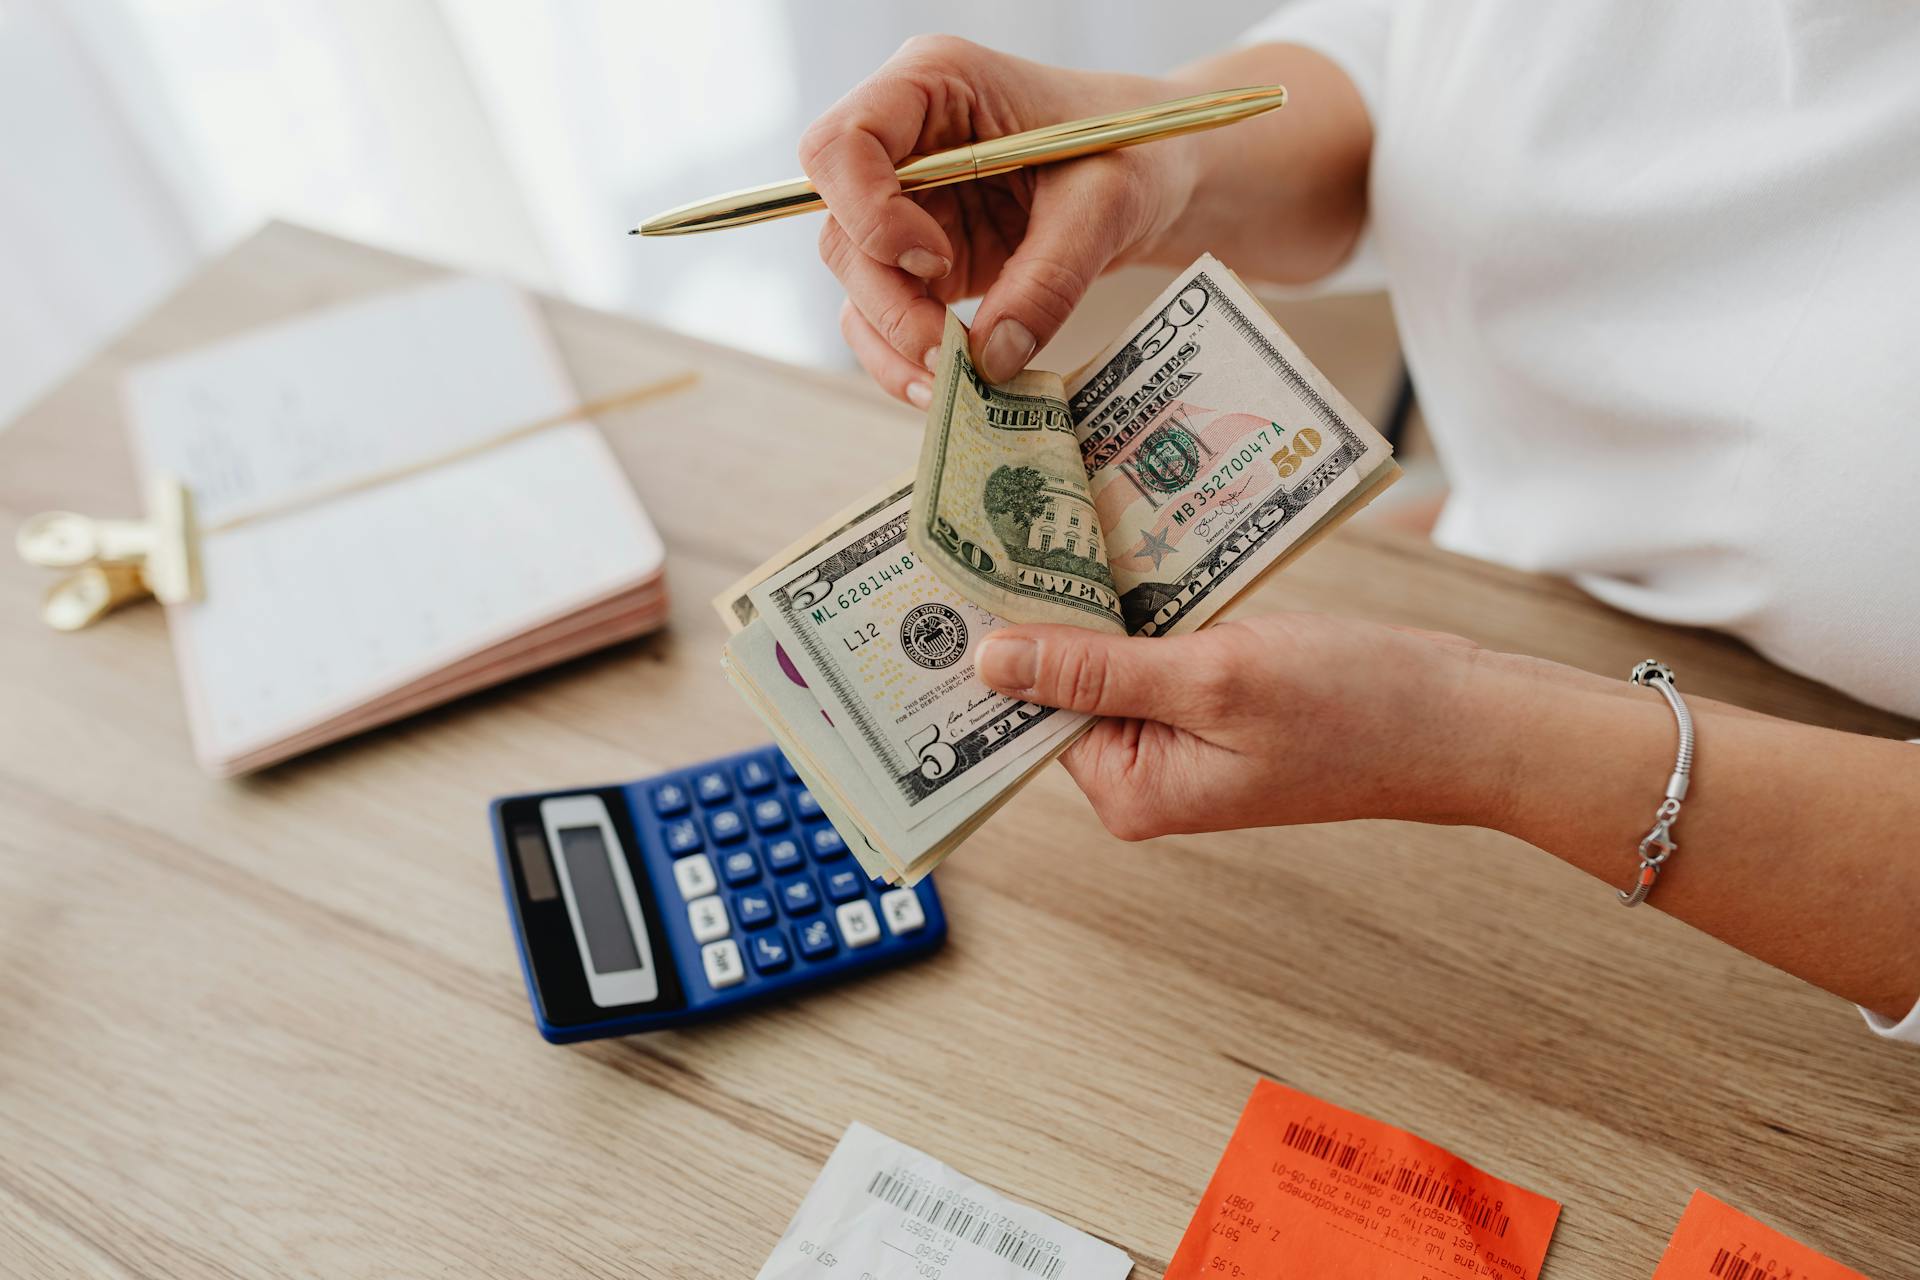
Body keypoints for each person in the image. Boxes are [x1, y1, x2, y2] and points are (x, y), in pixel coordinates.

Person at [796, 7, 1920, 1041]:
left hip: (1787, 887)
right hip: (1505, 595)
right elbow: (1416, 74)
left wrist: (1469, 735)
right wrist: (1159, 144)